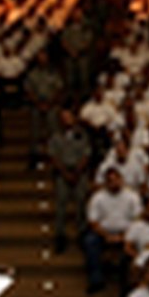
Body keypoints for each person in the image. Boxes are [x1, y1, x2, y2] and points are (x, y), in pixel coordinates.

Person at [47, 108, 91, 253]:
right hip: (62, 173)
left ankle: (81, 235)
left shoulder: (82, 135)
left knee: (81, 204)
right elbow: (53, 157)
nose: (66, 120)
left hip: (80, 173)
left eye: (69, 117)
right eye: (63, 118)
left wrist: (77, 172)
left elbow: (86, 154)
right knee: (61, 205)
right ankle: (60, 237)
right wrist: (65, 173)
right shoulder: (56, 137)